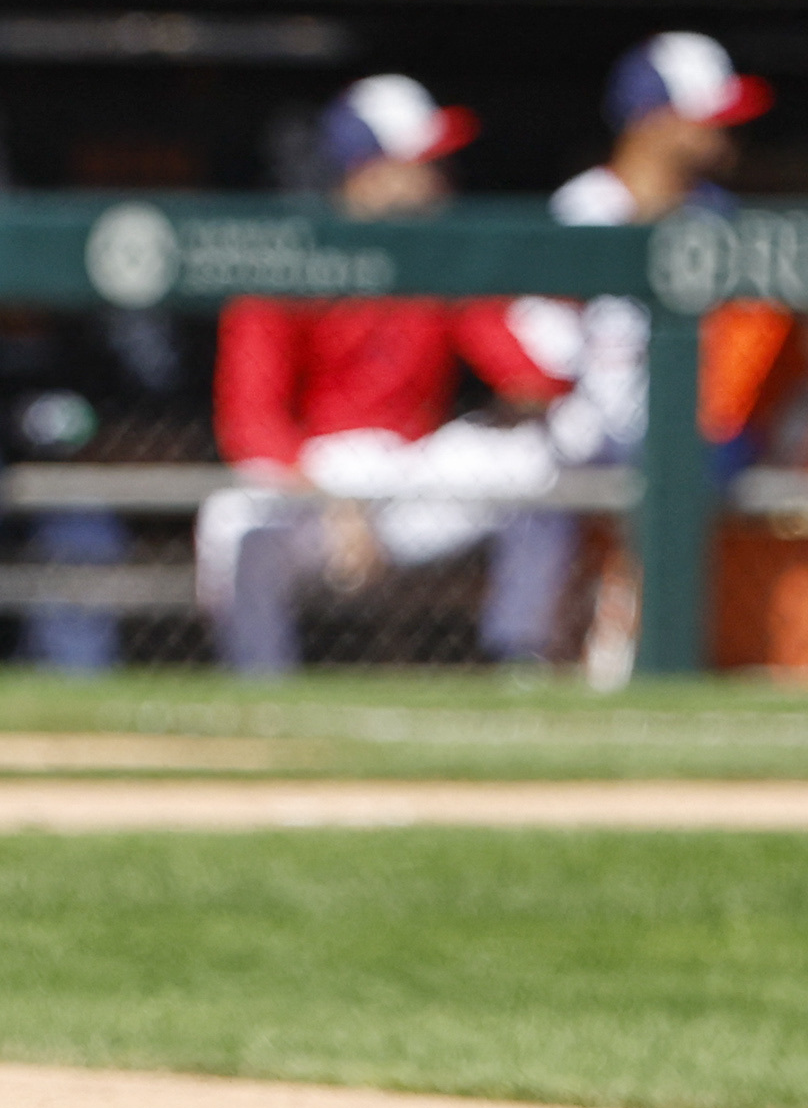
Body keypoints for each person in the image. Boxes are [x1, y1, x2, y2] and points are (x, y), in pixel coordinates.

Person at [194, 75, 568, 675]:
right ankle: (259, 685)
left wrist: (516, 399)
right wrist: (335, 503)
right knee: (231, 517)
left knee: (538, 465)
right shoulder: (289, 254)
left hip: (410, 478)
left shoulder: (444, 254)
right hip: (314, 483)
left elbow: (529, 377)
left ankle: (518, 660)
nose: (439, 179)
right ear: (366, 172)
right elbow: (250, 422)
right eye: (420, 163)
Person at [501, 32, 768, 670]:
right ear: (651, 118)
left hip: (684, 425)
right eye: (707, 117)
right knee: (545, 460)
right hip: (584, 419)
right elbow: (536, 350)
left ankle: (625, 663)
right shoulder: (583, 209)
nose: (726, 134)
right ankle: (521, 655)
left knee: (685, 467)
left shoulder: (717, 218)